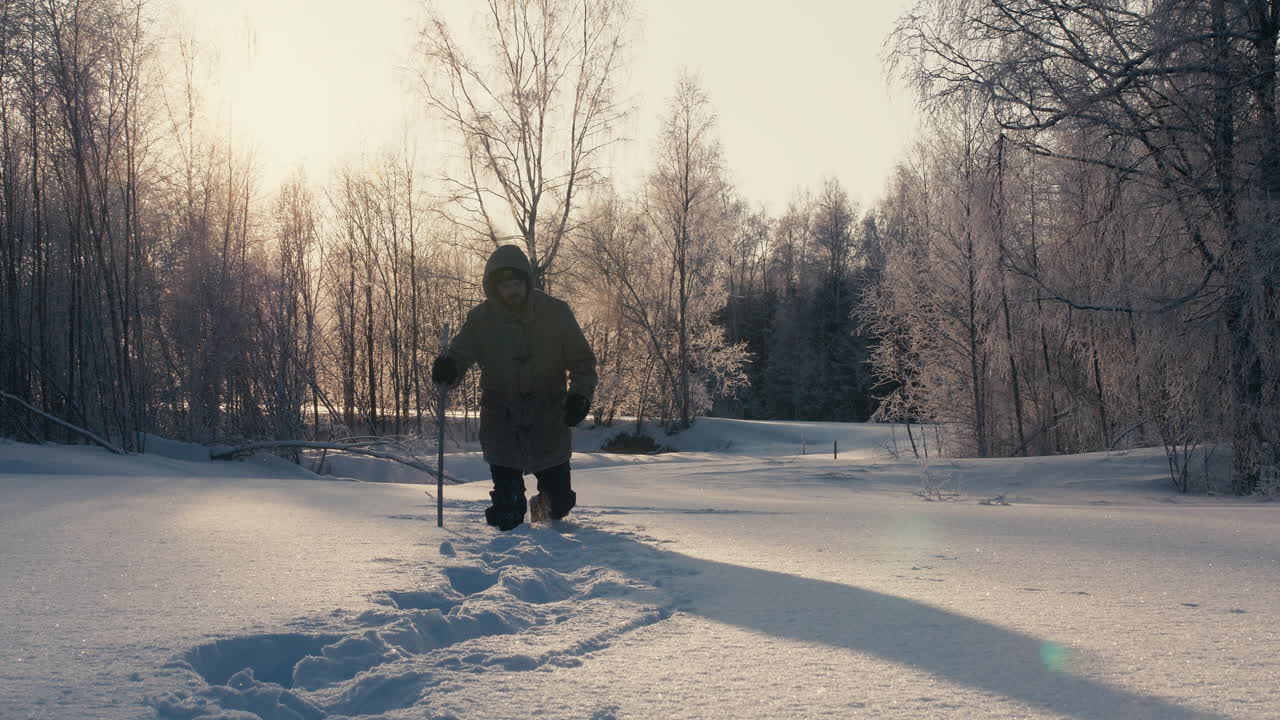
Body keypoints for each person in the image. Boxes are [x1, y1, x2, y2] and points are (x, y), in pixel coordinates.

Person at [431, 244, 597, 530]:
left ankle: (547, 539)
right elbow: (459, 355)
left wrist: (580, 396)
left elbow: (583, 362)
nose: (512, 290)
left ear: (527, 282)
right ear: (495, 288)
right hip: (502, 423)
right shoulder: (480, 320)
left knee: (557, 504)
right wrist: (448, 368)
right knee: (508, 512)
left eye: (517, 283)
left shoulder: (556, 313)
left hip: (548, 420)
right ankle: (504, 558)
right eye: (505, 285)